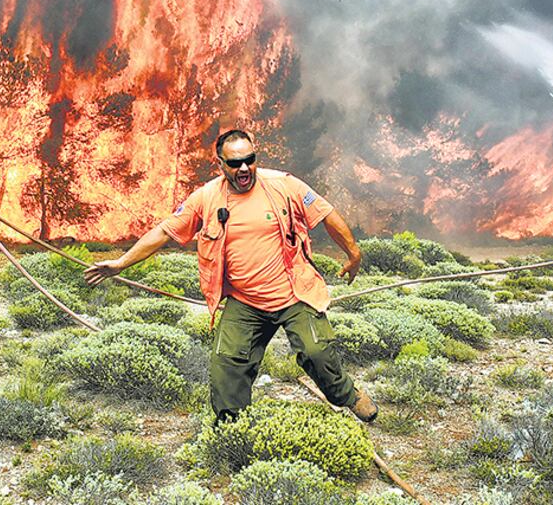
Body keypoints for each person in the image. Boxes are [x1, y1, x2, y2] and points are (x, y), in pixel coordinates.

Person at [84, 129, 377, 423]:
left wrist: (354, 254)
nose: (244, 168)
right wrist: (121, 263)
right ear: (221, 164)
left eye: (250, 160)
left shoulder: (284, 185)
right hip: (245, 301)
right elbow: (165, 231)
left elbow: (326, 213)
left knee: (316, 352)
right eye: (235, 163)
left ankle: (348, 396)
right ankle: (232, 429)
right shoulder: (206, 197)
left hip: (294, 293)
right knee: (226, 366)